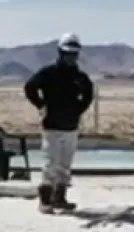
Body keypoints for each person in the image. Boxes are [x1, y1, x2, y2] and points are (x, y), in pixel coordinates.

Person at [23, 33, 95, 214]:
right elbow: (30, 87)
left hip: (71, 127)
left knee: (65, 164)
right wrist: (41, 105)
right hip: (52, 126)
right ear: (60, 52)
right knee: (50, 164)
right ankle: (45, 200)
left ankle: (59, 198)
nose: (70, 57)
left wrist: (78, 110)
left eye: (74, 54)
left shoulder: (80, 77)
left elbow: (88, 94)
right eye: (67, 53)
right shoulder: (48, 73)